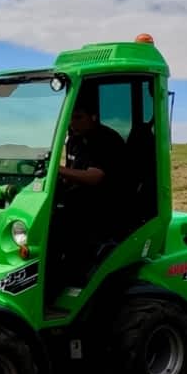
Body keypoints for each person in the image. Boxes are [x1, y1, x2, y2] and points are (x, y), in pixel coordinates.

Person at [49, 99, 128, 281]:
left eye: (78, 117)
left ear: (93, 117)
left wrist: (56, 170)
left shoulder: (105, 140)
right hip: (80, 199)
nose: (72, 122)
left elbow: (94, 177)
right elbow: (72, 171)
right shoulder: (75, 140)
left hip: (105, 204)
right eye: (70, 118)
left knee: (57, 228)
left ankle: (59, 278)